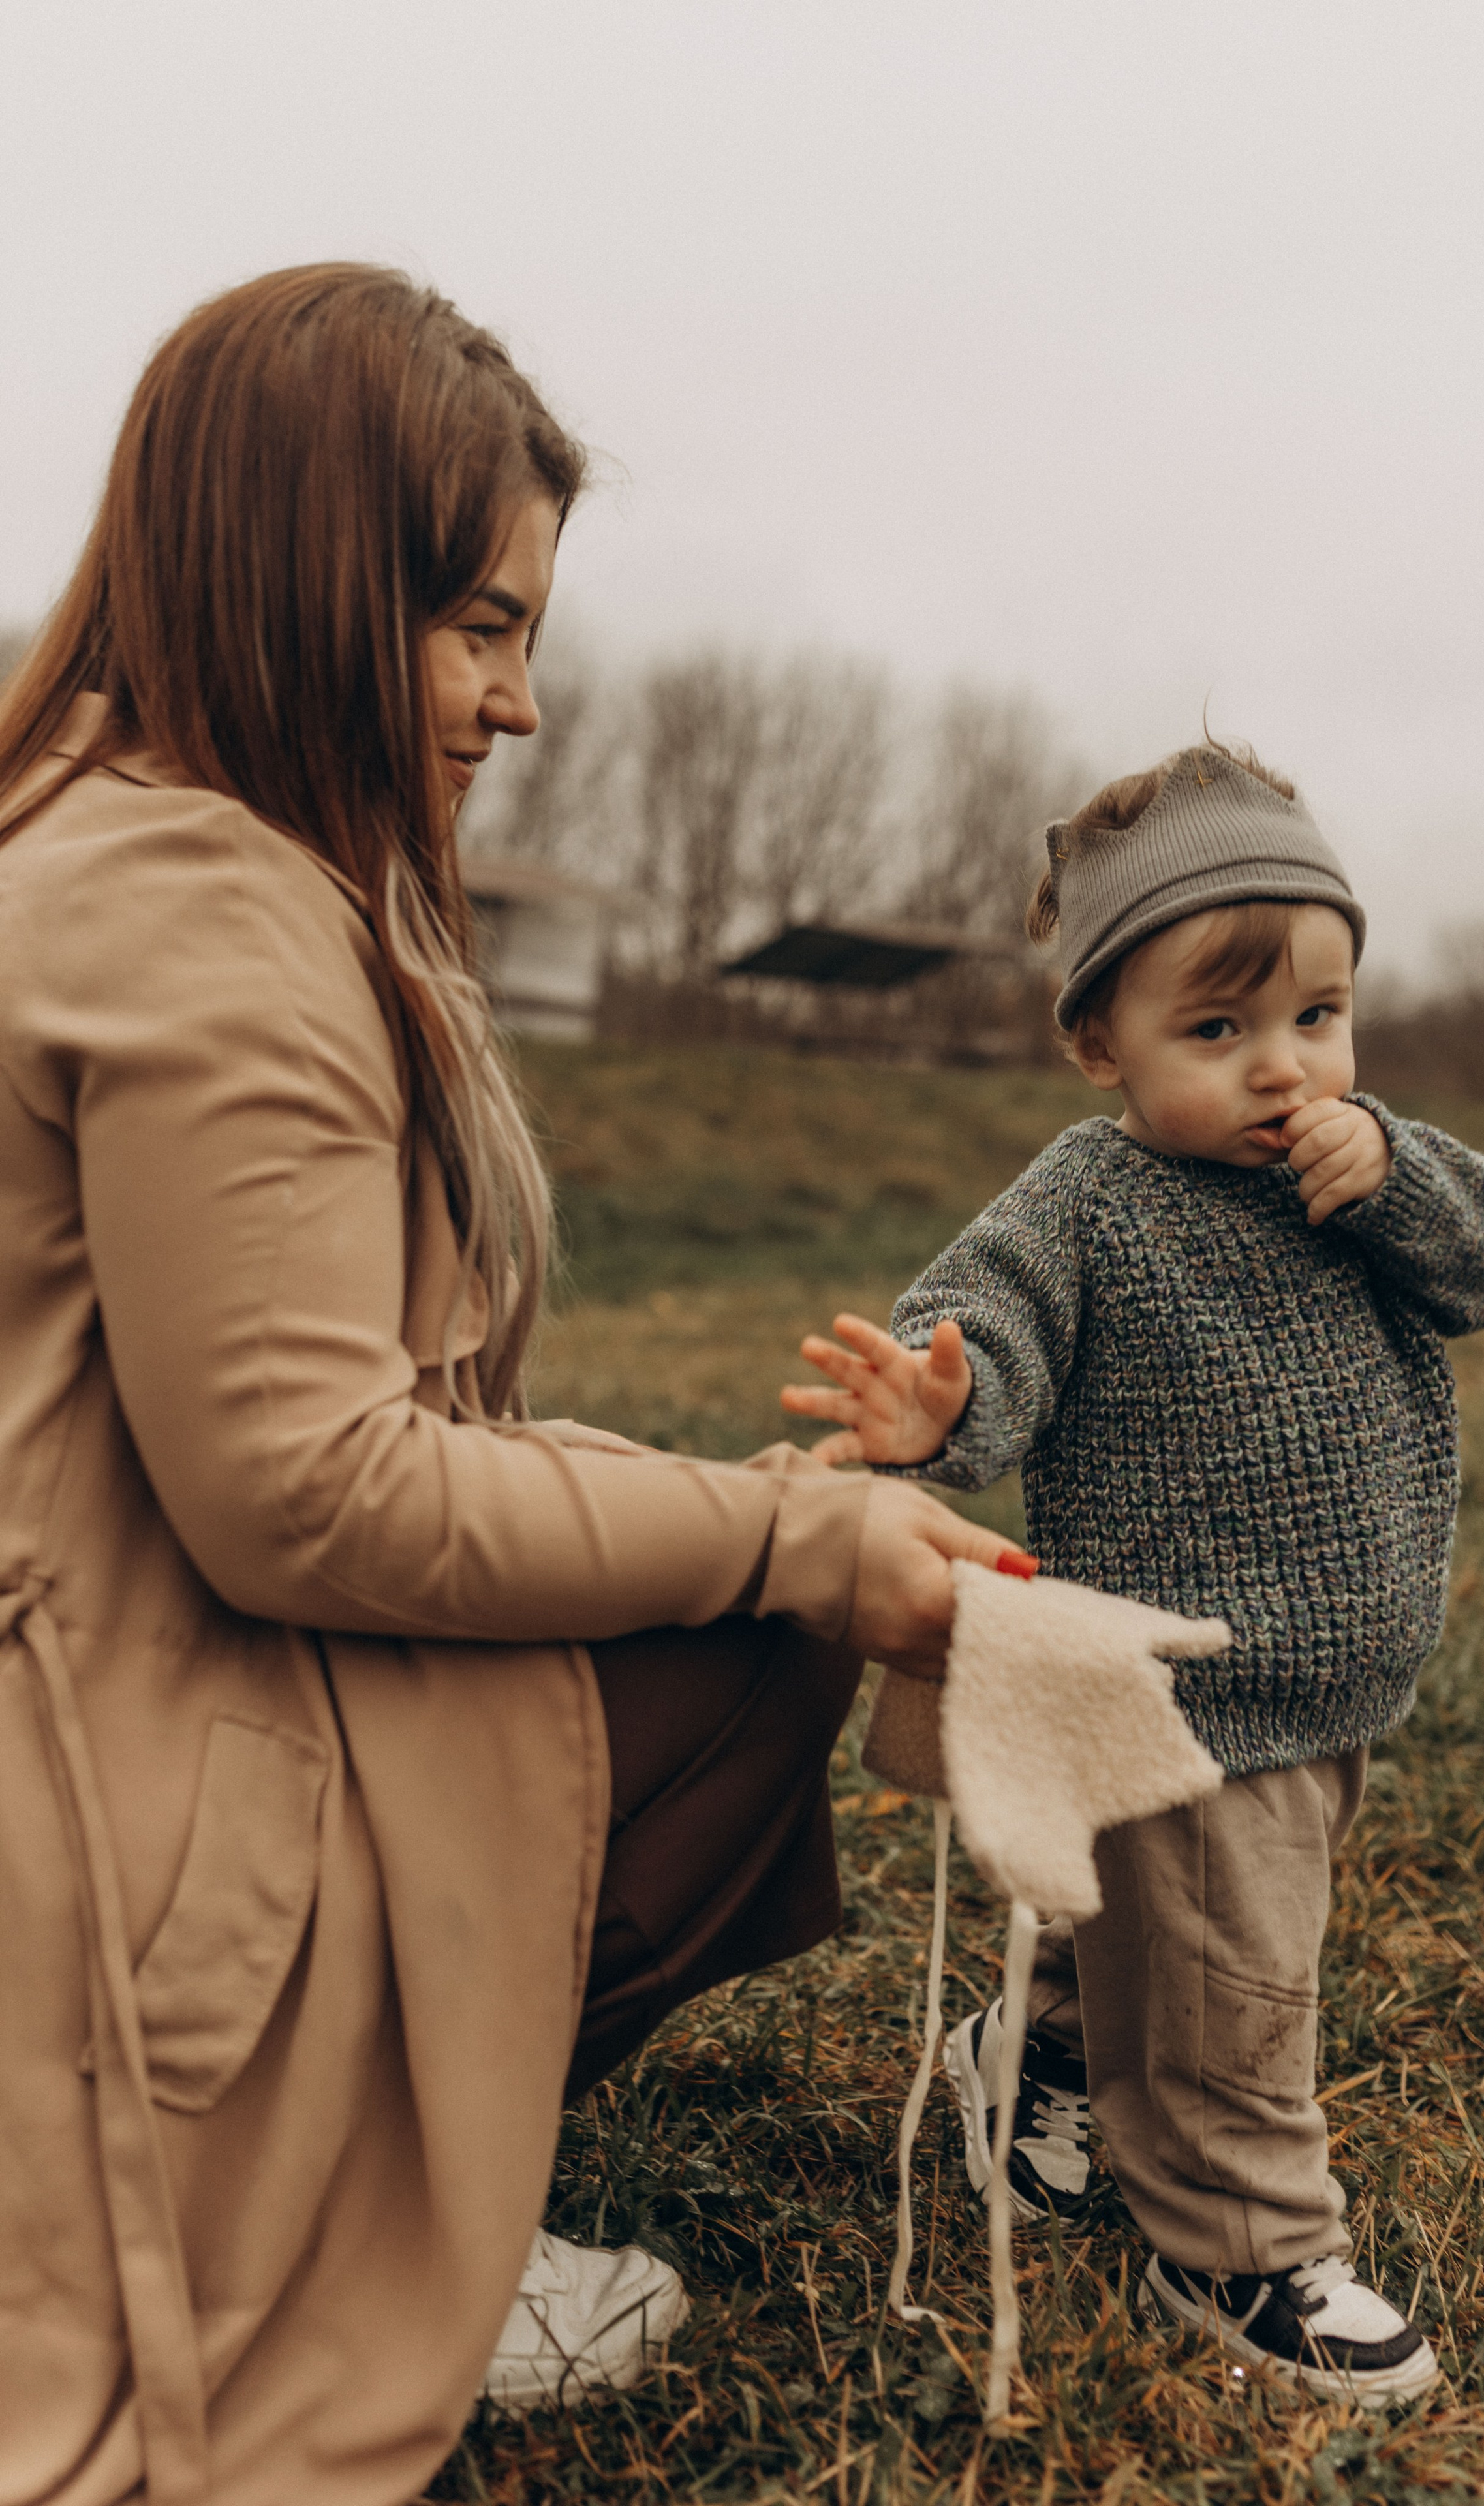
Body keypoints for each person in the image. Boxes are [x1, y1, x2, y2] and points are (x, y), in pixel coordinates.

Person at [0, 264, 1026, 2506]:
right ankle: (353, 2231)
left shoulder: (96, 838)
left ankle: (383, 2166)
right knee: (753, 1646)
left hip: (96, 1693)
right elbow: (310, 1493)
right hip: (95, 1801)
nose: (521, 703)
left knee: (735, 1561)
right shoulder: (204, 910)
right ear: (303, 578)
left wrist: (758, 1508)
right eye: (480, 625)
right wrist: (795, 1538)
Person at [784, 742, 1484, 2404]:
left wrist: (1395, 1177)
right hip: (1175, 1681)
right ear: (1095, 1043)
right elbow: (993, 1319)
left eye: (1317, 1015)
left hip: (1332, 1674)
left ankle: (1036, 2059)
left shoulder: (1365, 1175)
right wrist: (941, 1398)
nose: (1282, 1067)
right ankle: (1235, 2248)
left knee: (1145, 1924)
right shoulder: (1090, 1200)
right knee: (1228, 1983)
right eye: (1216, 1029)